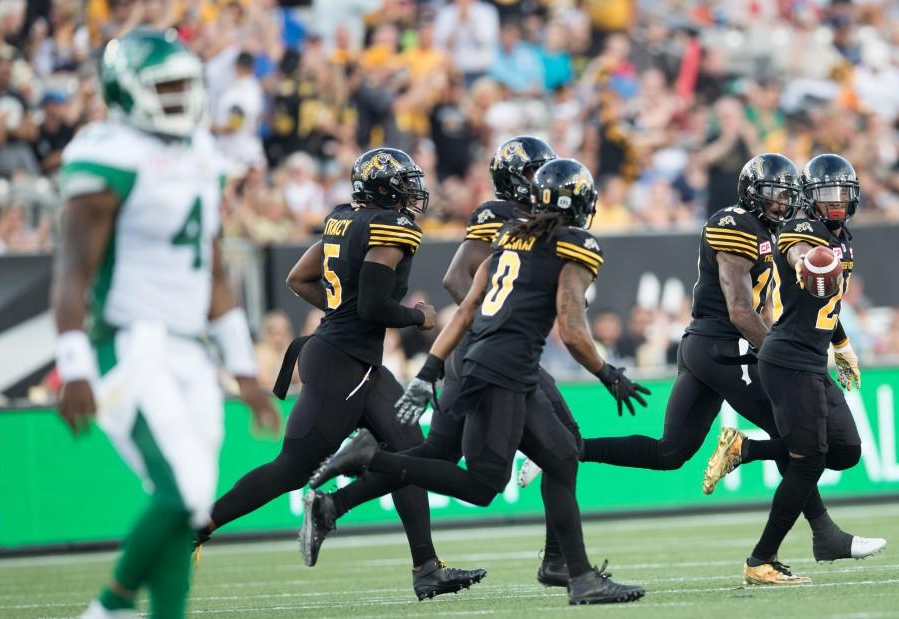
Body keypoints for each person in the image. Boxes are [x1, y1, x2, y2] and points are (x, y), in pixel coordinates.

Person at [310, 158, 648, 605]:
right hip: (504, 370)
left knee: (562, 455)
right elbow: (570, 327)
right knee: (484, 485)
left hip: (480, 360)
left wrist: (432, 369)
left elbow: (465, 309)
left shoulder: (510, 237)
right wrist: (609, 374)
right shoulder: (574, 244)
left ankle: (578, 574)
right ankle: (372, 457)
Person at [51, 29, 280, 619]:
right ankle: (108, 607)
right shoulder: (105, 153)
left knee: (194, 504)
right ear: (125, 92)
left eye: (185, 84)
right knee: (178, 492)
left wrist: (244, 373)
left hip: (189, 349)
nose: (179, 96)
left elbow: (216, 278)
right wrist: (73, 363)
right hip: (129, 342)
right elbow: (72, 272)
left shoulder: (203, 153)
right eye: (165, 86)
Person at [194, 147, 486, 601]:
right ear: (384, 187)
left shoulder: (342, 220)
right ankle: (198, 526)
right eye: (404, 183)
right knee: (292, 469)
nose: (412, 193)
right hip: (341, 364)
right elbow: (372, 306)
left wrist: (342, 314)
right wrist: (418, 318)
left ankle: (425, 566)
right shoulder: (391, 228)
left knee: (414, 453)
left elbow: (299, 277)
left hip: (353, 360)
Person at [568, 154, 884, 569]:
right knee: (804, 445)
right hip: (725, 347)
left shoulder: (779, 231)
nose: (780, 205)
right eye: (772, 196)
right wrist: (779, 354)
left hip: (709, 348)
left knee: (671, 452)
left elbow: (767, 304)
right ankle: (809, 534)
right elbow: (740, 309)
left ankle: (565, 448)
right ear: (752, 195)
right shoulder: (736, 223)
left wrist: (833, 344)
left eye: (786, 197)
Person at [730, 154, 883, 584]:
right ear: (810, 199)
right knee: (808, 459)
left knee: (846, 450)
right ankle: (761, 559)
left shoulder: (844, 239)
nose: (835, 203)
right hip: (786, 357)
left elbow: (828, 307)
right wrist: (804, 263)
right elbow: (799, 251)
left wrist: (844, 345)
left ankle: (747, 450)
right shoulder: (803, 230)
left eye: (842, 194)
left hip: (812, 358)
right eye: (827, 195)